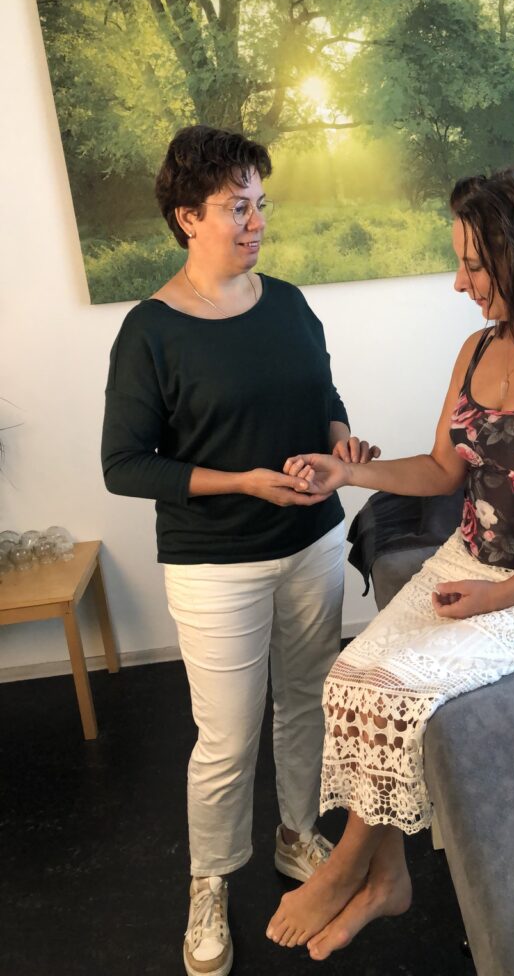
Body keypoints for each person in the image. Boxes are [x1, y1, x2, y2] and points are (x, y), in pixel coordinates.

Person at [265, 165, 514, 960]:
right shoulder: (477, 349)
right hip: (463, 560)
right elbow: (445, 471)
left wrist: (502, 595)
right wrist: (349, 474)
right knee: (349, 679)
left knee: (397, 690)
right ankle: (390, 879)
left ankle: (345, 870)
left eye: (475, 264)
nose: (459, 283)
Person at [101, 124, 379, 976]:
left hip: (311, 541)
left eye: (261, 204)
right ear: (188, 217)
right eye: (236, 207)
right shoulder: (150, 332)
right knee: (224, 738)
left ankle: (297, 835)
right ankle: (210, 880)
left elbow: (324, 395)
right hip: (213, 563)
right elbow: (125, 465)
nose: (256, 222)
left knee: (306, 703)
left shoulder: (289, 303)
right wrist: (243, 483)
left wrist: (341, 442)